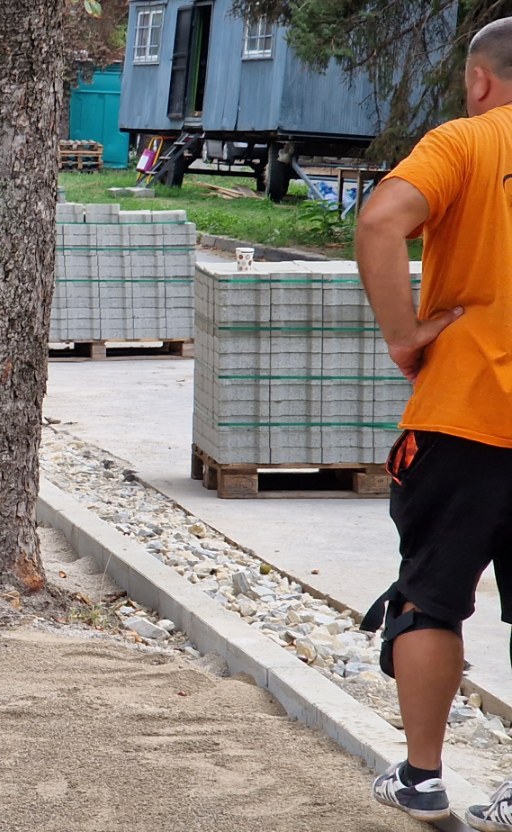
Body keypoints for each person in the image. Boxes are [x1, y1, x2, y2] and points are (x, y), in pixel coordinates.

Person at [356, 17, 512, 830]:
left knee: (430, 597)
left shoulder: (467, 141)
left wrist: (404, 334)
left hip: (466, 415)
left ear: (481, 79)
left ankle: (422, 778)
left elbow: (382, 219)